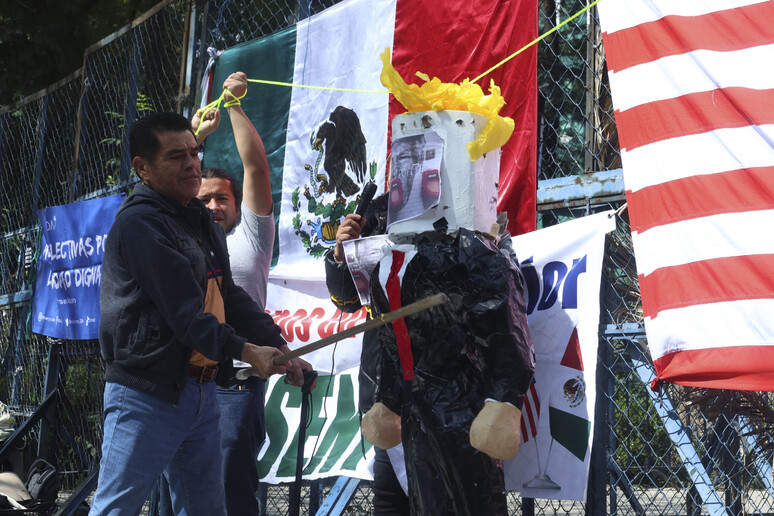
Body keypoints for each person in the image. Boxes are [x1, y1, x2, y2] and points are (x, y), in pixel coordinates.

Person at [91, 111, 305, 516]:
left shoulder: (201, 220)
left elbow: (230, 297)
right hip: (146, 394)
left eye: (195, 152)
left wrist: (278, 345)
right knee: (115, 510)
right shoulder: (139, 224)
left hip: (203, 394)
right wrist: (247, 351)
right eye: (176, 157)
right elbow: (185, 316)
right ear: (143, 169)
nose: (192, 164)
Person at [190, 72, 314, 516]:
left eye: (222, 198)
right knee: (177, 496)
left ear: (237, 204)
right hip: (186, 383)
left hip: (237, 385)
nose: (213, 206)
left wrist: (232, 106)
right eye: (203, 200)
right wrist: (196, 138)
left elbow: (257, 167)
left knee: (230, 492)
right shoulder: (186, 239)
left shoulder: (251, 237)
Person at [324, 193, 410, 516]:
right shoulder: (380, 208)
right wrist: (341, 253)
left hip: (442, 397)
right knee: (390, 502)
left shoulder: (461, 205)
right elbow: (346, 299)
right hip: (385, 399)